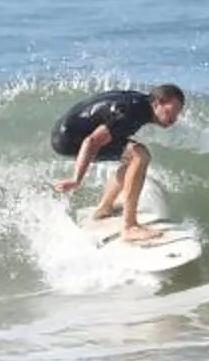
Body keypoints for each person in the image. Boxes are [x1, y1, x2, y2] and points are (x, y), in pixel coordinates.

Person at [49, 83, 185, 242]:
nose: (174, 119)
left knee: (133, 158)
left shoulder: (141, 105)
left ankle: (104, 208)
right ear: (157, 103)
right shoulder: (131, 112)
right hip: (68, 139)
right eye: (171, 112)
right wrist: (76, 179)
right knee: (139, 156)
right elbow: (91, 141)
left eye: (177, 115)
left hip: (66, 132)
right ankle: (129, 227)